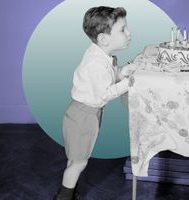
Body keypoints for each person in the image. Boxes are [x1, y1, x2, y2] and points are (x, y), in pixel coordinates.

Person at [54, 6, 135, 200]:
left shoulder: (100, 55)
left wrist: (122, 72)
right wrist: (129, 83)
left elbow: (109, 75)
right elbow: (106, 93)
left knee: (76, 159)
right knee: (78, 163)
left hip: (86, 113)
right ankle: (64, 197)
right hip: (83, 116)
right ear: (104, 39)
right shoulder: (95, 63)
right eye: (123, 29)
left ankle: (69, 192)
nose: (129, 32)